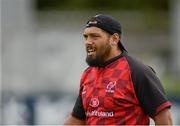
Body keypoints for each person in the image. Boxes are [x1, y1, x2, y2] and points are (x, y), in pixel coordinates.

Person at [64, 14, 172, 125]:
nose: (88, 42)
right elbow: (76, 120)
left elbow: (164, 118)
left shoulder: (137, 72)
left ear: (114, 39)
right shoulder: (88, 74)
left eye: (94, 36)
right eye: (86, 37)